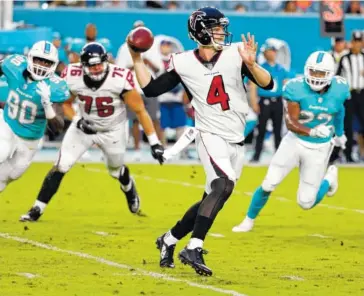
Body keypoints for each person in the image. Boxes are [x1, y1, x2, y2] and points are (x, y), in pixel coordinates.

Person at [128, 7, 273, 276]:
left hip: (235, 139)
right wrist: (137, 59)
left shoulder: (236, 54)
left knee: (212, 198)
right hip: (209, 134)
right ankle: (194, 246)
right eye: (216, 28)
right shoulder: (183, 62)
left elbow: (268, 83)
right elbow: (151, 89)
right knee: (224, 184)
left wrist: (252, 64)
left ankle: (169, 240)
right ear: (201, 31)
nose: (222, 32)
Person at [20, 42, 164, 222]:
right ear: (82, 66)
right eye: (91, 65)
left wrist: (154, 142)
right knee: (61, 165)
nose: (96, 69)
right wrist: (76, 120)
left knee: (115, 171)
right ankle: (36, 209)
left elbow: (140, 110)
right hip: (83, 126)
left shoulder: (119, 77)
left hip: (113, 130)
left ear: (106, 61)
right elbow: (66, 103)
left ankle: (128, 186)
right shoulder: (72, 75)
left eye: (99, 64)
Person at [232, 51, 349, 233]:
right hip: (295, 141)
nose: (316, 77)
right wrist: (312, 130)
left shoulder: (340, 89)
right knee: (268, 183)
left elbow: (339, 110)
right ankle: (248, 220)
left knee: (306, 202)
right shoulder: (296, 88)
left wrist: (340, 133)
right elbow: (291, 122)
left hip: (320, 148)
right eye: (313, 71)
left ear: (331, 74)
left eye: (321, 73)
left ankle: (329, 178)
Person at [0, 41, 69, 193]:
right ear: (30, 57)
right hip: (6, 123)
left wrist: (47, 105)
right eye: (39, 60)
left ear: (54, 65)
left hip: (30, 138)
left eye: (47, 62)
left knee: (10, 175)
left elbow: (58, 126)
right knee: (2, 150)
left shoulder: (56, 87)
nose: (42, 65)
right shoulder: (14, 64)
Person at [251, 43, 289, 162]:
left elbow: (285, 85)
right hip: (264, 101)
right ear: (264, 53)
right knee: (261, 129)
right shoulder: (260, 68)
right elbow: (253, 86)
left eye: (273, 51)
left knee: (278, 129)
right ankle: (257, 155)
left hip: (277, 101)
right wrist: (254, 102)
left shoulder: (281, 69)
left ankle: (279, 156)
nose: (271, 53)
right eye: (269, 51)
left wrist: (287, 104)